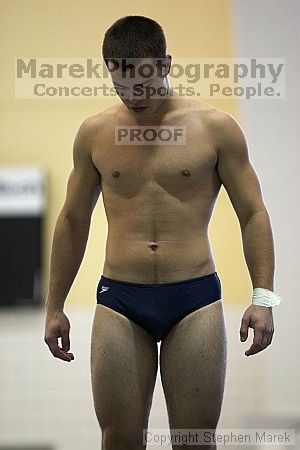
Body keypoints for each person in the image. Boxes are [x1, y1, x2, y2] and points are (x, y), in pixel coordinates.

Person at [44, 15, 281, 450]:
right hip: (120, 300)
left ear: (167, 63)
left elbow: (253, 213)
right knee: (119, 439)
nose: (133, 97)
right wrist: (54, 306)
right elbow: (73, 220)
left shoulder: (214, 128)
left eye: (143, 85)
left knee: (193, 441)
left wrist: (263, 298)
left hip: (194, 300)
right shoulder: (95, 134)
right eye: (121, 86)